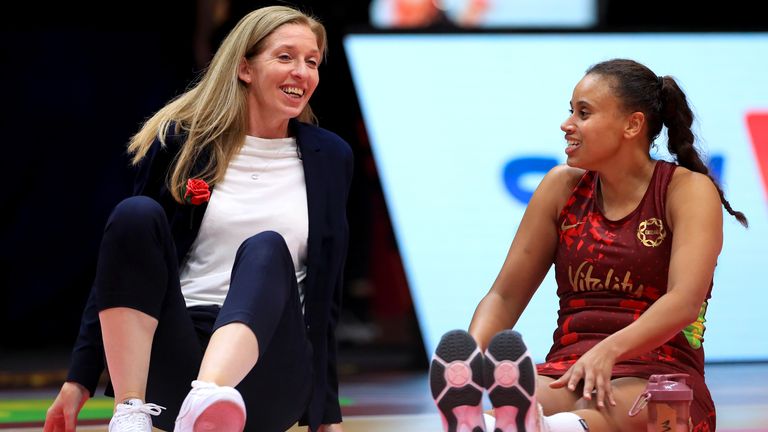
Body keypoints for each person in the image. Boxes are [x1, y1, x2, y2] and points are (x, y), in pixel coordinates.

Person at [43, 5, 351, 432]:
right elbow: (122, 268)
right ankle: (132, 410)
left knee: (267, 247)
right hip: (179, 362)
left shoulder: (330, 157)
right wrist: (78, 379)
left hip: (271, 371)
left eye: (312, 61)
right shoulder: (183, 143)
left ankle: (210, 396)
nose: (302, 71)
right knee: (134, 215)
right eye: (285, 57)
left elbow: (326, 295)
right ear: (244, 68)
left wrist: (327, 415)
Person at [429, 58, 747, 432]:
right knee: (536, 401)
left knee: (612, 412)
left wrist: (608, 350)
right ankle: (482, 421)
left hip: (660, 373)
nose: (567, 125)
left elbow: (684, 301)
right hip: (570, 367)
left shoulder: (687, 190)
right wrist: (470, 354)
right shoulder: (560, 187)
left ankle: (529, 425)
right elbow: (504, 296)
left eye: (584, 113)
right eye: (571, 111)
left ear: (632, 125)